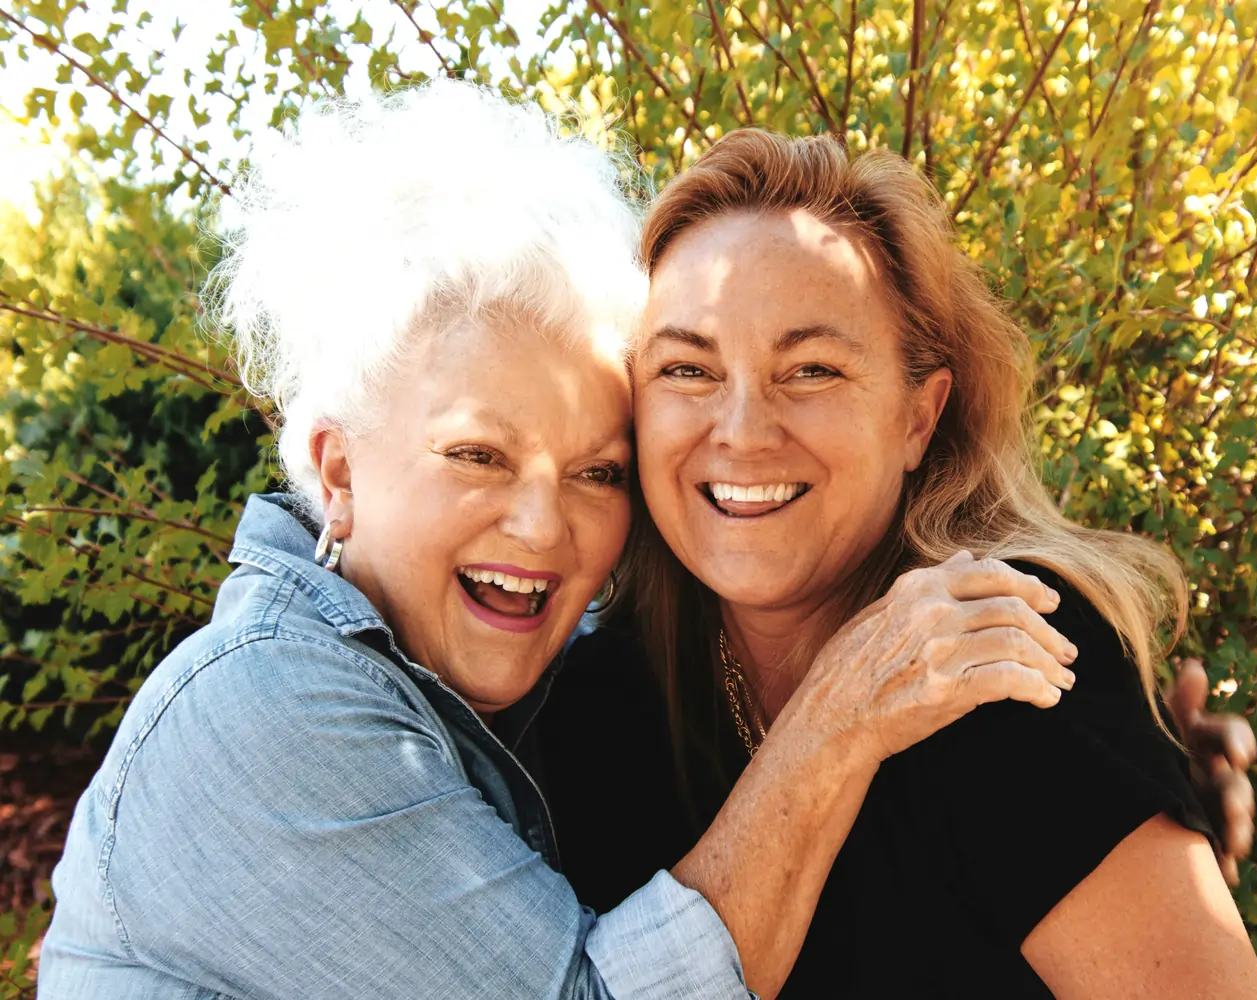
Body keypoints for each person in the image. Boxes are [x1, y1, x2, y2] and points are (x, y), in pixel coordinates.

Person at [37, 84, 1080, 999]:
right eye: (477, 455)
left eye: (597, 472)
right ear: (339, 470)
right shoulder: (266, 710)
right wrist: (837, 718)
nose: (542, 527)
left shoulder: (541, 693)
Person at [537, 129, 1257, 998]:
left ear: (918, 419)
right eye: (687, 369)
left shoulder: (1002, 654)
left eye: (811, 370)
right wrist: (831, 724)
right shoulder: (594, 704)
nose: (741, 431)